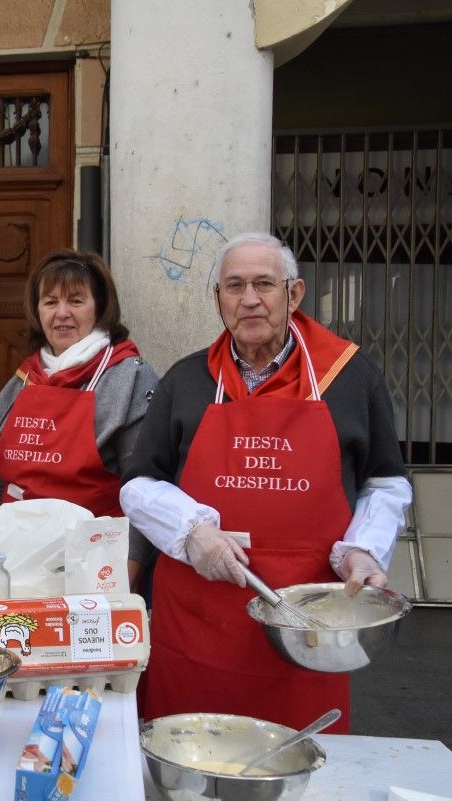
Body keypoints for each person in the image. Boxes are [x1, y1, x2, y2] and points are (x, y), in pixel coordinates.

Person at [119, 232, 412, 734]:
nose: (249, 299)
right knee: (191, 755)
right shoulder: (186, 380)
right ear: (218, 300)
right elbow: (138, 483)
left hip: (306, 627)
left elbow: (385, 482)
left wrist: (364, 551)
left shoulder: (350, 376)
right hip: (198, 622)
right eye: (234, 286)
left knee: (304, 764)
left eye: (264, 284)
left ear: (293, 295)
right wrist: (192, 532)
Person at [0, 251, 159, 591]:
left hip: (93, 570)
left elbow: (144, 492)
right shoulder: (21, 382)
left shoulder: (128, 380)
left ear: (99, 307)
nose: (62, 314)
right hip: (15, 569)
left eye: (76, 300)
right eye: (50, 302)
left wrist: (125, 577)